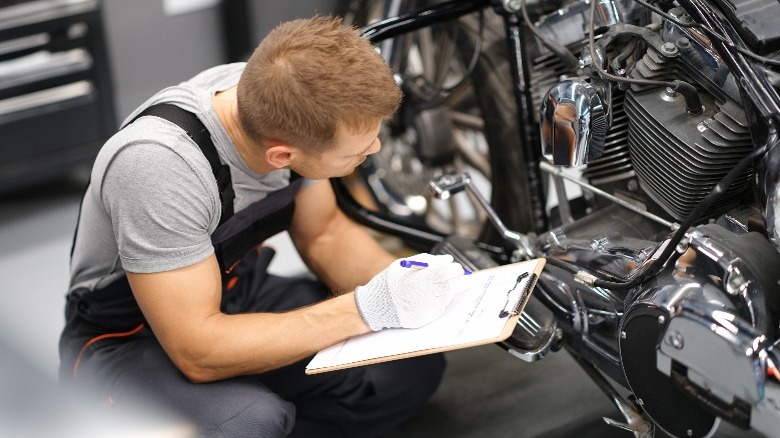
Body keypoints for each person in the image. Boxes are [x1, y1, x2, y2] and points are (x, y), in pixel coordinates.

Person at [58, 16, 467, 438]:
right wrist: (365, 309)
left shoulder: (286, 98)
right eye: (358, 154)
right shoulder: (158, 167)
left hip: (237, 289)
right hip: (130, 337)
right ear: (281, 157)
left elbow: (324, 233)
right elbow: (197, 350)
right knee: (249, 422)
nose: (375, 148)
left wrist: (421, 292)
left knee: (409, 368)